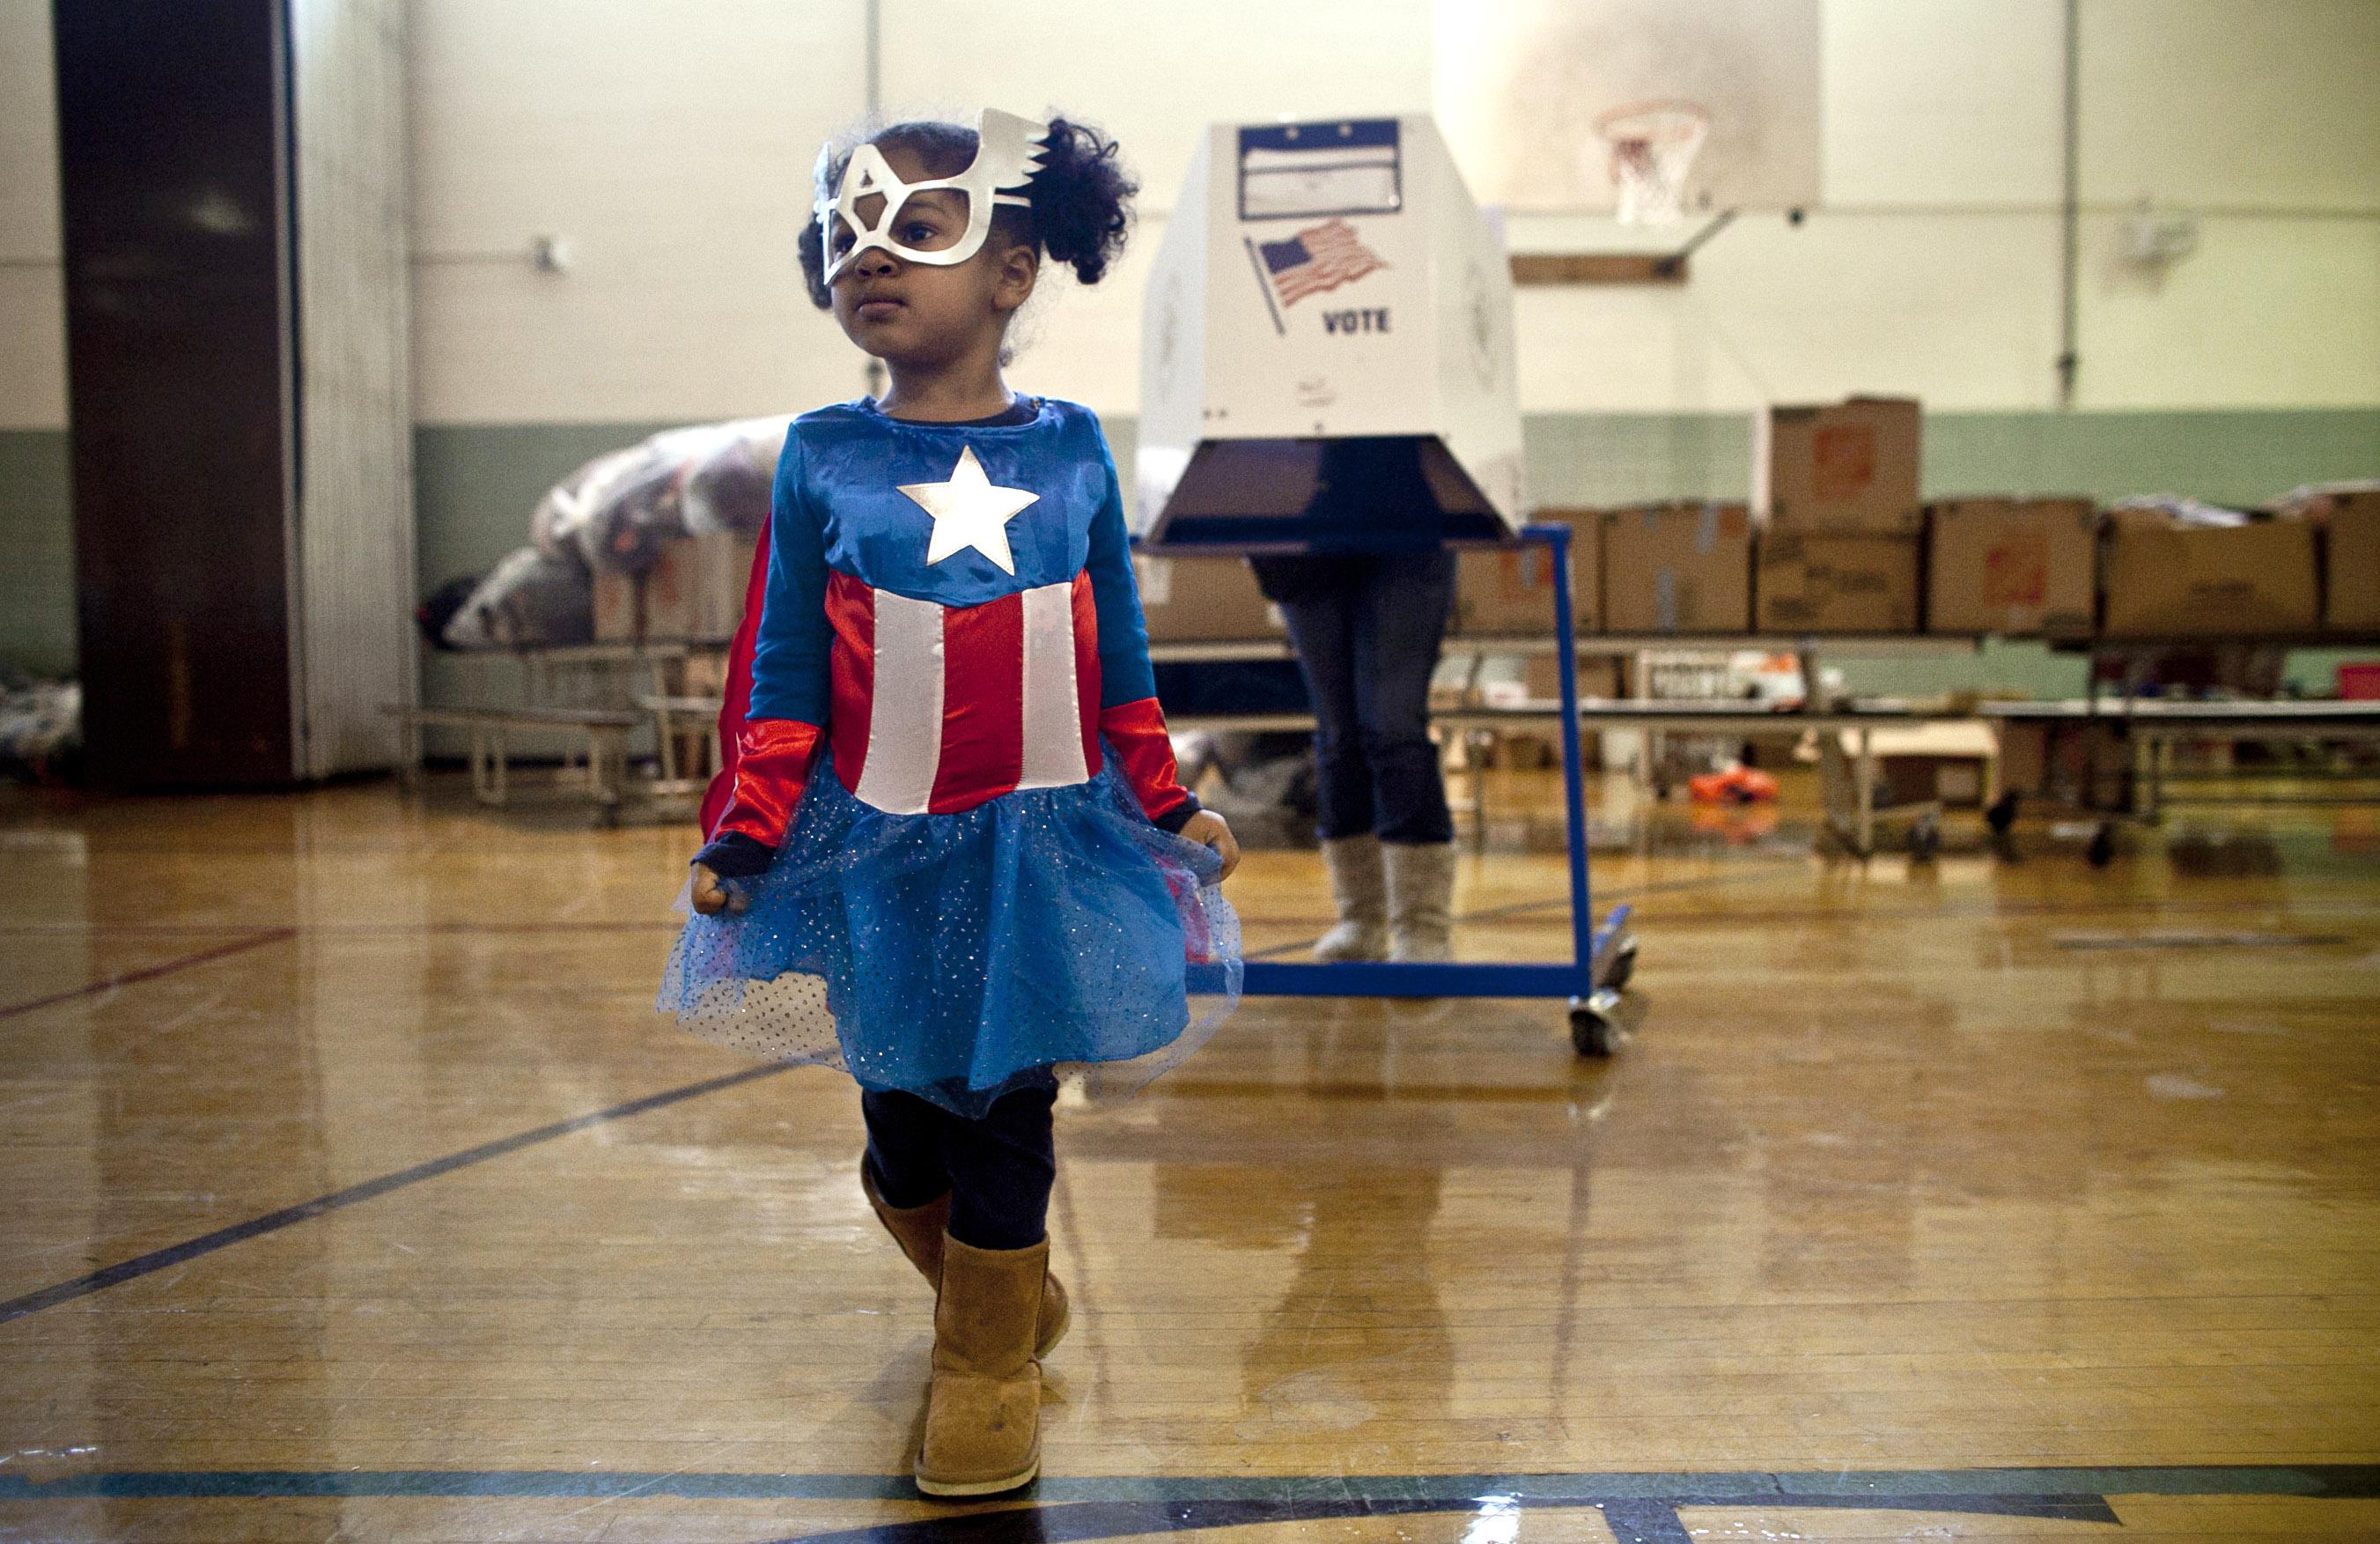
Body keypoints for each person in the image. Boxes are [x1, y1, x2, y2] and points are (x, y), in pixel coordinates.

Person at [656, 108, 1242, 1498]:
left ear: (1012, 267)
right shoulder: (820, 455)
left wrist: (1162, 798)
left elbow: (1117, 653)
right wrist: (748, 825)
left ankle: (981, 1361)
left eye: (915, 231)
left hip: (1041, 839)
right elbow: (781, 661)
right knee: (900, 1118)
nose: (873, 259)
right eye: (846, 236)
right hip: (872, 843)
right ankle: (992, 1289)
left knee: (1006, 1097)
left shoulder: (1076, 449)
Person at [1249, 482, 1458, 964]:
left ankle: (1421, 926)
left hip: (1406, 519)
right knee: (1337, 733)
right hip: (1302, 529)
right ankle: (1360, 919)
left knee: (1392, 724)